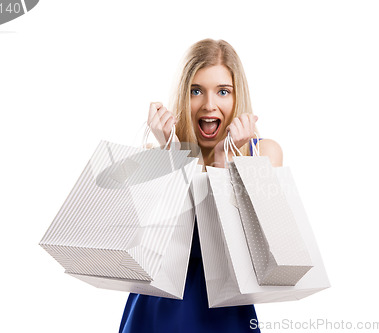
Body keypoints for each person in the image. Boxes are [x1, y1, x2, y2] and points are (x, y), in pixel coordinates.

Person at [119, 38, 283, 333]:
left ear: (237, 97)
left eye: (223, 91)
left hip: (226, 315)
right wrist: (170, 155)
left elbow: (252, 255)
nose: (209, 104)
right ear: (183, 95)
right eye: (196, 91)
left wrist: (225, 161)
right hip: (155, 313)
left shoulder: (263, 154)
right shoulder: (156, 154)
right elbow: (145, 249)